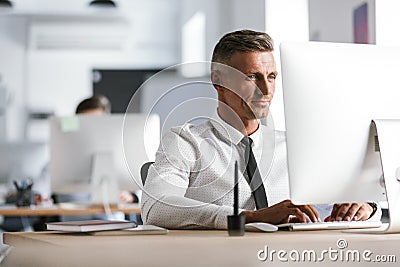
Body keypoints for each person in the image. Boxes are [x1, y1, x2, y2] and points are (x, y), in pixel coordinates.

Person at [141, 30, 380, 229]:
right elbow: (156, 207)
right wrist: (247, 218)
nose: (266, 89)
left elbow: (346, 201)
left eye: (272, 76)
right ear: (218, 81)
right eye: (252, 77)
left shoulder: (295, 147)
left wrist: (365, 207)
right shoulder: (186, 141)